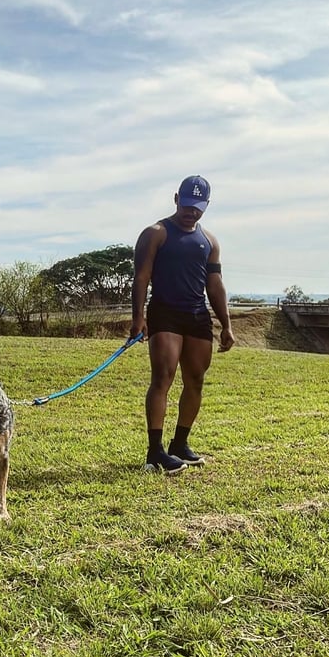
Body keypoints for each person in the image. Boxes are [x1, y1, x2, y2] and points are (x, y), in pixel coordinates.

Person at [130, 175, 235, 474]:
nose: (192, 211)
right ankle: (155, 452)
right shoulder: (156, 233)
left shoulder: (210, 241)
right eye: (187, 205)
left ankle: (180, 444)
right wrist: (138, 317)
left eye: (198, 207)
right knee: (163, 377)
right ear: (177, 199)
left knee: (196, 380)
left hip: (197, 315)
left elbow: (215, 285)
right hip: (165, 312)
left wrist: (226, 324)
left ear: (207, 206)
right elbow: (141, 277)